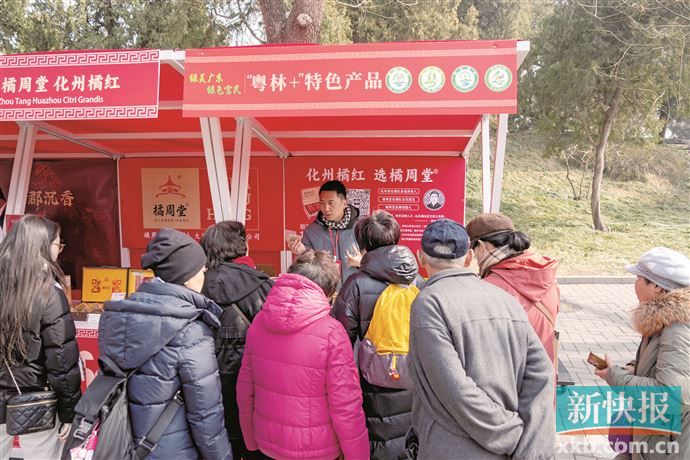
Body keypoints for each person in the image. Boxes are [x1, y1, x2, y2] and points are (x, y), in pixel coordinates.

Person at [409, 219, 555, 459]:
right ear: (468, 258)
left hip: (454, 448)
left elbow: (454, 389)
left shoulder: (428, 303)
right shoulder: (504, 299)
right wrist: (528, 441)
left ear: (420, 258)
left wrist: (509, 434)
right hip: (510, 444)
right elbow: (542, 374)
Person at [99, 228, 231, 460]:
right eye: (201, 268)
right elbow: (206, 414)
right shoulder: (191, 330)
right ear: (187, 275)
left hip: (122, 444)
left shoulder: (117, 316)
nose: (204, 273)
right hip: (174, 450)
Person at [236, 250, 369, 460]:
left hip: (266, 443)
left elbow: (245, 388)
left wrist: (250, 440)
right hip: (317, 450)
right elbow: (346, 405)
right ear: (327, 292)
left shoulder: (259, 323)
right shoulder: (332, 332)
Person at [333, 210, 419, 459]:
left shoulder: (356, 283)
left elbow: (340, 338)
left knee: (378, 439)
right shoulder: (418, 281)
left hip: (372, 381)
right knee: (408, 438)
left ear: (363, 243)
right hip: (412, 377)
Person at [595, 247, 690, 460]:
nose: (635, 283)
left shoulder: (677, 328)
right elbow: (664, 365)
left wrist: (616, 377)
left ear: (657, 286)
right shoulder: (665, 320)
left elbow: (671, 395)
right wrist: (633, 368)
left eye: (639, 278)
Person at [0, 215, 81, 460]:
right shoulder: (49, 293)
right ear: (43, 247)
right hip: (36, 400)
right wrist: (69, 413)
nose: (59, 251)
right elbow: (61, 361)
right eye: (58, 244)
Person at [201, 221, 274, 460]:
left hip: (206, 388)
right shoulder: (263, 285)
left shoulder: (195, 285)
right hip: (253, 386)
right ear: (242, 246)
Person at [466, 213, 560, 365]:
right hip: (545, 370)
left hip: (513, 374)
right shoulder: (546, 274)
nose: (476, 259)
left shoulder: (489, 288)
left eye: (474, 251)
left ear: (482, 246)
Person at [288, 180, 361, 284]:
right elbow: (306, 270)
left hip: (355, 290)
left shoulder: (361, 228)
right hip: (324, 290)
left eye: (331, 203)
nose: (326, 208)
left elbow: (378, 264)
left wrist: (362, 262)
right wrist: (302, 253)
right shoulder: (311, 231)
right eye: (322, 203)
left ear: (344, 203)